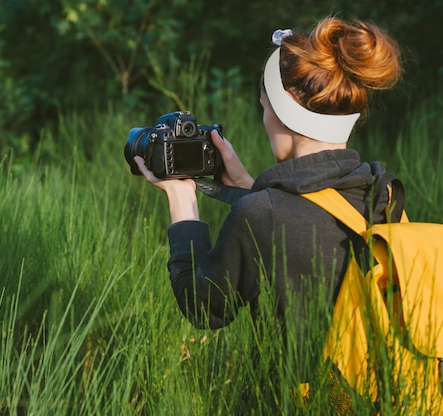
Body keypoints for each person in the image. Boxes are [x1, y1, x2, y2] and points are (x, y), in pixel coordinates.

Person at [133, 15, 402, 387]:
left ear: (284, 104)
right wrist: (250, 186)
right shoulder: (382, 192)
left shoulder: (263, 215)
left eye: (264, 106)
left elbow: (203, 308)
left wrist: (182, 200)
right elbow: (312, 220)